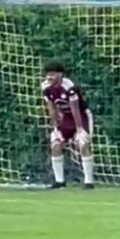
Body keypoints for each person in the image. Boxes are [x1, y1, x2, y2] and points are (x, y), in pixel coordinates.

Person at [41, 61, 95, 189]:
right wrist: (55, 128)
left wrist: (80, 129)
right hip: (65, 118)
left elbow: (75, 108)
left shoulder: (69, 86)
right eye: (47, 74)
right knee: (55, 144)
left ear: (60, 75)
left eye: (52, 74)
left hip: (81, 117)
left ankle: (89, 182)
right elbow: (51, 108)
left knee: (83, 144)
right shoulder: (45, 87)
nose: (49, 77)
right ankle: (60, 181)